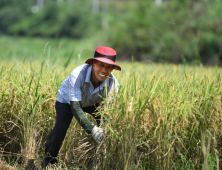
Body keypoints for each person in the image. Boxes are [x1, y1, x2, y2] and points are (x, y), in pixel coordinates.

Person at [41, 46, 121, 168]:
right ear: (93, 63)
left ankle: (98, 163)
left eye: (108, 67)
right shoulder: (78, 74)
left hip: (94, 103)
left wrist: (103, 128)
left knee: (106, 131)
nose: (104, 70)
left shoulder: (113, 84)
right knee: (59, 131)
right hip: (68, 102)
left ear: (112, 69)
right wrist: (92, 130)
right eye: (100, 65)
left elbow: (108, 112)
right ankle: (49, 162)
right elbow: (75, 107)